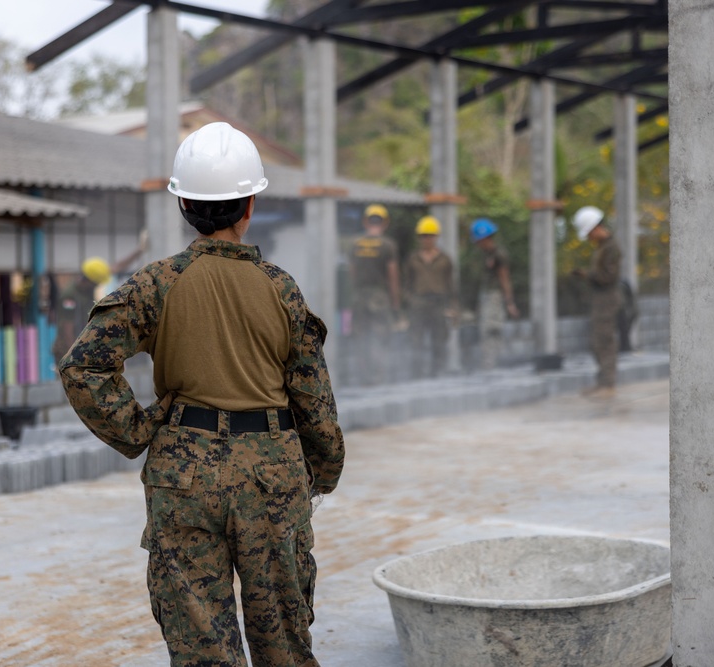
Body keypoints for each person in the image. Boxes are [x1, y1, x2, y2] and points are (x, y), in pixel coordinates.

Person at [58, 121, 345, 667]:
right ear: (250, 205)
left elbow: (85, 365)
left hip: (182, 477)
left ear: (184, 204)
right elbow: (315, 401)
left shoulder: (156, 283)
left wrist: (138, 429)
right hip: (272, 479)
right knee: (282, 640)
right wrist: (322, 472)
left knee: (203, 648)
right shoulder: (281, 288)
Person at [51, 236, 147, 368]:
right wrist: (74, 356)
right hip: (68, 349)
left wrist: (139, 250)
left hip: (83, 346)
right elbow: (68, 328)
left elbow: (116, 267)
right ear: (89, 281)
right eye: (97, 283)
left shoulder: (87, 287)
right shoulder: (70, 296)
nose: (97, 286)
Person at [572, 205, 623, 397]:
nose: (589, 238)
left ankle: (607, 385)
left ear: (595, 227)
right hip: (601, 299)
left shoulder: (611, 248)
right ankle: (602, 382)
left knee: (604, 341)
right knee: (597, 341)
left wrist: (588, 275)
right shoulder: (604, 247)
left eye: (589, 233)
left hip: (607, 300)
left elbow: (608, 277)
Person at [348, 203, 402, 385]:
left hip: (359, 296)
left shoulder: (355, 244)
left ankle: (363, 378)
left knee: (361, 337)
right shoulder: (387, 245)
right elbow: (392, 276)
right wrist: (395, 303)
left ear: (365, 222)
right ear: (385, 223)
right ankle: (379, 379)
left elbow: (352, 273)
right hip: (379, 297)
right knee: (380, 336)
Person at [404, 215, 455, 378]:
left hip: (439, 303)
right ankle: (416, 373)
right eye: (423, 236)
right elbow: (406, 283)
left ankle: (437, 372)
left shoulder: (445, 259)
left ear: (436, 237)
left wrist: (453, 308)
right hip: (419, 302)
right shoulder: (413, 259)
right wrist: (409, 303)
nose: (427, 239)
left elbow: (451, 285)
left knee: (439, 340)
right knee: (416, 339)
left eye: (430, 236)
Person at [470, 218, 519, 370]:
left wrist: (509, 302)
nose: (478, 244)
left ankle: (490, 364)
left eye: (479, 240)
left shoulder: (499, 255)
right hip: (486, 295)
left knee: (491, 329)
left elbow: (504, 278)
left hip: (495, 296)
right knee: (486, 329)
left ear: (485, 238)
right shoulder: (487, 255)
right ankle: (489, 362)